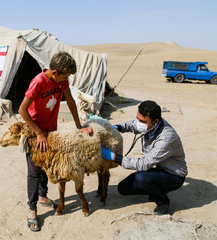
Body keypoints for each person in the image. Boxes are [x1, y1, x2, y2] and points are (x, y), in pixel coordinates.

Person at [19, 51, 92, 231]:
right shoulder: (38, 82)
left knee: (47, 166)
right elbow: (22, 110)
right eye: (65, 76)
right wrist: (38, 133)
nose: (66, 80)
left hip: (50, 132)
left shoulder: (62, 80)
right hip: (34, 132)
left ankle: (43, 196)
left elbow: (71, 100)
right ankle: (32, 209)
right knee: (34, 171)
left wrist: (79, 125)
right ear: (53, 73)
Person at [101, 100, 187, 215]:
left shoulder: (166, 138)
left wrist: (113, 156)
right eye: (138, 118)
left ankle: (163, 201)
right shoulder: (151, 125)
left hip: (173, 175)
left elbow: (143, 164)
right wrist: (116, 127)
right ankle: (155, 188)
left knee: (142, 178)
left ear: (155, 121)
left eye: (142, 121)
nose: (138, 123)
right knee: (123, 188)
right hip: (157, 168)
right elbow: (132, 125)